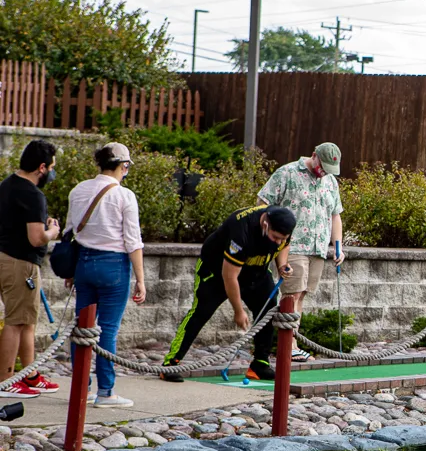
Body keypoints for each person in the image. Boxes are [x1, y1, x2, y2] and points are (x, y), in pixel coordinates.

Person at [160, 205, 295, 383]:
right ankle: (171, 363)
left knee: (268, 310)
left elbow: (284, 246)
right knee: (201, 312)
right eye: (275, 237)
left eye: (282, 238)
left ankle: (259, 364)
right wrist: (238, 310)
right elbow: (229, 276)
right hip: (217, 271)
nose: (278, 242)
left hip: (256, 271)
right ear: (265, 225)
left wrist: (281, 265)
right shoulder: (241, 230)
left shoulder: (283, 224)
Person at [65, 143, 147, 407]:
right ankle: (106, 392)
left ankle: (81, 388)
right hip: (113, 265)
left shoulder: (78, 190)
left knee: (82, 327)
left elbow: (70, 233)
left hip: (83, 263)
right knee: (108, 330)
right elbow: (133, 241)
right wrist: (141, 280)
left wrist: (71, 270)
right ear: (124, 166)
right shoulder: (125, 196)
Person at [256, 142, 344, 361]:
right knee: (291, 294)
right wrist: (267, 236)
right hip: (291, 246)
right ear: (314, 156)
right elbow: (262, 203)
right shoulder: (286, 173)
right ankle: (290, 346)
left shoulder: (330, 181)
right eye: (322, 166)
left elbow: (335, 215)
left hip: (318, 248)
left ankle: (291, 342)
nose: (324, 172)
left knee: (301, 294)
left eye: (329, 170)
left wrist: (338, 246)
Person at [0, 140, 63, 397]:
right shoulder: (32, 194)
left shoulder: (6, 185)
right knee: (16, 322)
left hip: (7, 257)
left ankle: (30, 373)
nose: (52, 172)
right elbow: (36, 238)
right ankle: (6, 379)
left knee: (27, 321)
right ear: (41, 167)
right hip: (21, 263)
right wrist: (53, 231)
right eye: (52, 167)